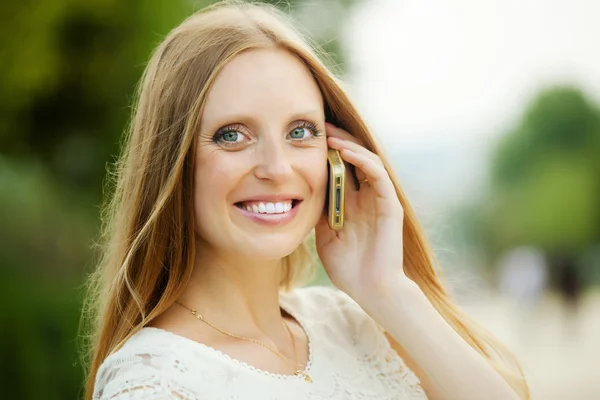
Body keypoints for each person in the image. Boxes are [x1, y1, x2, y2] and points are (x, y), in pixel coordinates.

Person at [81, 1, 529, 399]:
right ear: (172, 164)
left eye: (300, 132)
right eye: (233, 136)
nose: (277, 168)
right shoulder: (154, 383)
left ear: (337, 157)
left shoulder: (351, 322)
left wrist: (386, 289)